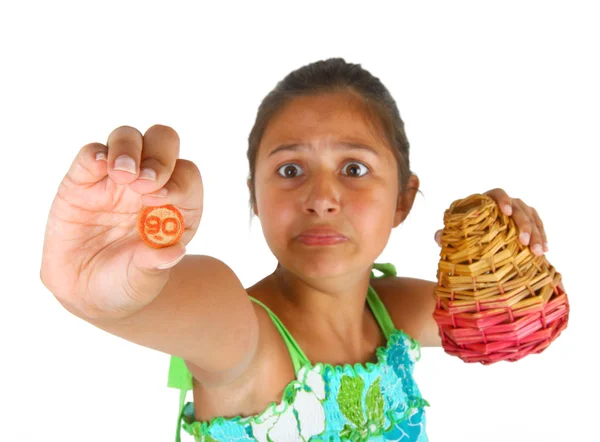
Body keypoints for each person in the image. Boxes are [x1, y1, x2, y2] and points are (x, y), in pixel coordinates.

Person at [40, 58, 553, 442]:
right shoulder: (247, 341)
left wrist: (507, 242)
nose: (322, 199)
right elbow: (162, 304)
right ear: (254, 198)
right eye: (290, 170)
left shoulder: (390, 310)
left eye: (353, 168)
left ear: (403, 200)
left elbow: (511, 322)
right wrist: (95, 284)